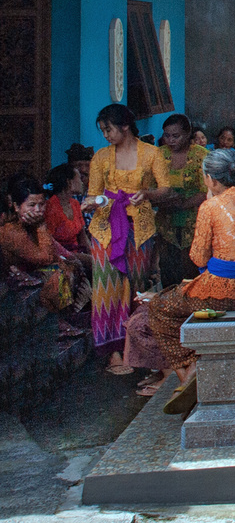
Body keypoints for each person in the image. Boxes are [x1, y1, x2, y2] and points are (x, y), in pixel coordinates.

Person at [124, 149, 235, 411]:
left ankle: (188, 374)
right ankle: (191, 376)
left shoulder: (210, 207)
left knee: (160, 309)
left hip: (221, 294)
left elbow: (198, 258)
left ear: (210, 179)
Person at [87, 103, 172, 372]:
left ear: (125, 126)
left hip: (140, 228)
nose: (105, 135)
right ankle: (113, 352)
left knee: (133, 286)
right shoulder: (100, 157)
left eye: (108, 129)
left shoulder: (152, 154)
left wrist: (146, 195)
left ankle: (134, 349)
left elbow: (166, 189)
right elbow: (93, 193)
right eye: (102, 131)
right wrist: (93, 202)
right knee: (106, 288)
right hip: (105, 229)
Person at [1, 176, 79, 313]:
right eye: (31, 205)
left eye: (42, 204)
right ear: (16, 207)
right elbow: (46, 258)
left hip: (33, 272)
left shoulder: (30, 225)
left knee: (70, 265)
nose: (38, 210)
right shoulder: (11, 230)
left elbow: (55, 252)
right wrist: (41, 225)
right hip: (13, 280)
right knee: (58, 272)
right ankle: (60, 320)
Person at [156, 113, 208, 286]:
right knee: (168, 269)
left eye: (176, 136)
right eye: (167, 135)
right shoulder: (158, 155)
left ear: (187, 134)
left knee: (191, 269)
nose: (171, 140)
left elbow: (206, 190)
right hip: (165, 224)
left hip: (194, 222)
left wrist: (182, 204)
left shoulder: (201, 156)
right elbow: (149, 186)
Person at [43, 162, 89, 255]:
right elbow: (48, 243)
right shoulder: (50, 207)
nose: (81, 182)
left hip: (77, 254)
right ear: (69, 182)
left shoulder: (75, 204)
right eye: (79, 178)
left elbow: (83, 236)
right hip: (59, 257)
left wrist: (95, 258)